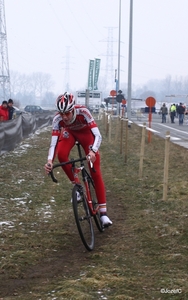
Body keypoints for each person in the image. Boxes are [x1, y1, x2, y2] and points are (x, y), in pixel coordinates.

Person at [44, 92, 112, 227]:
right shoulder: (58, 119)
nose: (64, 117)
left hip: (87, 135)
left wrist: (93, 151)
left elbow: (98, 136)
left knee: (95, 171)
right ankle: (77, 184)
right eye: (61, 113)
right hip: (70, 134)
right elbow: (54, 144)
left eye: (67, 113)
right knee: (62, 155)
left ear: (73, 109)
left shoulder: (83, 112)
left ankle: (103, 214)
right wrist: (50, 161)